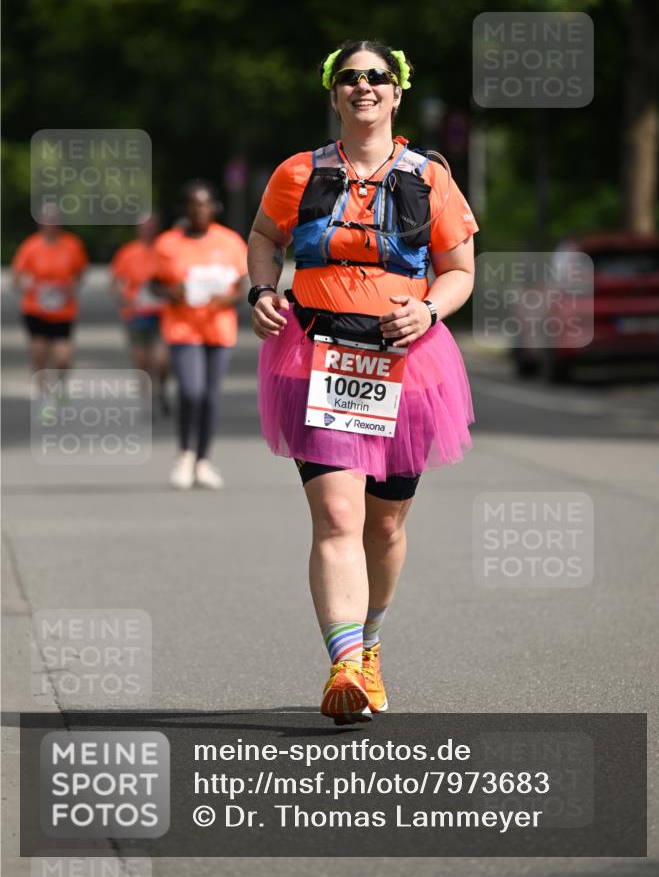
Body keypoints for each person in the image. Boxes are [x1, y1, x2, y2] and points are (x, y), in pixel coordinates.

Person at [248, 40, 478, 724]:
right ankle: (342, 664)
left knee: (382, 526)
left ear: (397, 92)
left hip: (405, 365)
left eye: (376, 77)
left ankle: (369, 641)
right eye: (349, 78)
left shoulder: (428, 176)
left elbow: (459, 270)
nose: (363, 87)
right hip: (317, 357)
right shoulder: (298, 171)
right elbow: (262, 235)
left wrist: (430, 307)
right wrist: (262, 287)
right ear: (333, 93)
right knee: (337, 517)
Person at [151, 180, 248, 490]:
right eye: (193, 204)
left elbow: (241, 285)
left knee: (209, 396)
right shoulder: (168, 243)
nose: (199, 209)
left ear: (214, 207)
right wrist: (172, 292)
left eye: (204, 203)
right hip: (182, 327)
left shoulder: (230, 241)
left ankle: (203, 460)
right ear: (185, 209)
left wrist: (226, 298)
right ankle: (184, 454)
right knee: (190, 391)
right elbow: (153, 284)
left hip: (218, 328)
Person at [11, 203, 88, 392]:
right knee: (39, 352)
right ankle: (43, 389)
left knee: (63, 358)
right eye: (47, 220)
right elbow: (16, 278)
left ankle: (60, 385)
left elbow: (80, 272)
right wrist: (27, 285)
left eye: (55, 220)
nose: (51, 224)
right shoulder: (30, 246)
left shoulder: (72, 244)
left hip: (63, 309)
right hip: (35, 307)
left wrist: (70, 286)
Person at [110, 215, 170, 415]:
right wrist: (126, 298)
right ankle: (147, 402)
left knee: (161, 360)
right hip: (136, 314)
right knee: (142, 361)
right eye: (144, 227)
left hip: (163, 313)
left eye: (152, 227)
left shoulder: (166, 250)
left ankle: (161, 389)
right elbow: (116, 283)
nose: (148, 231)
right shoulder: (127, 253)